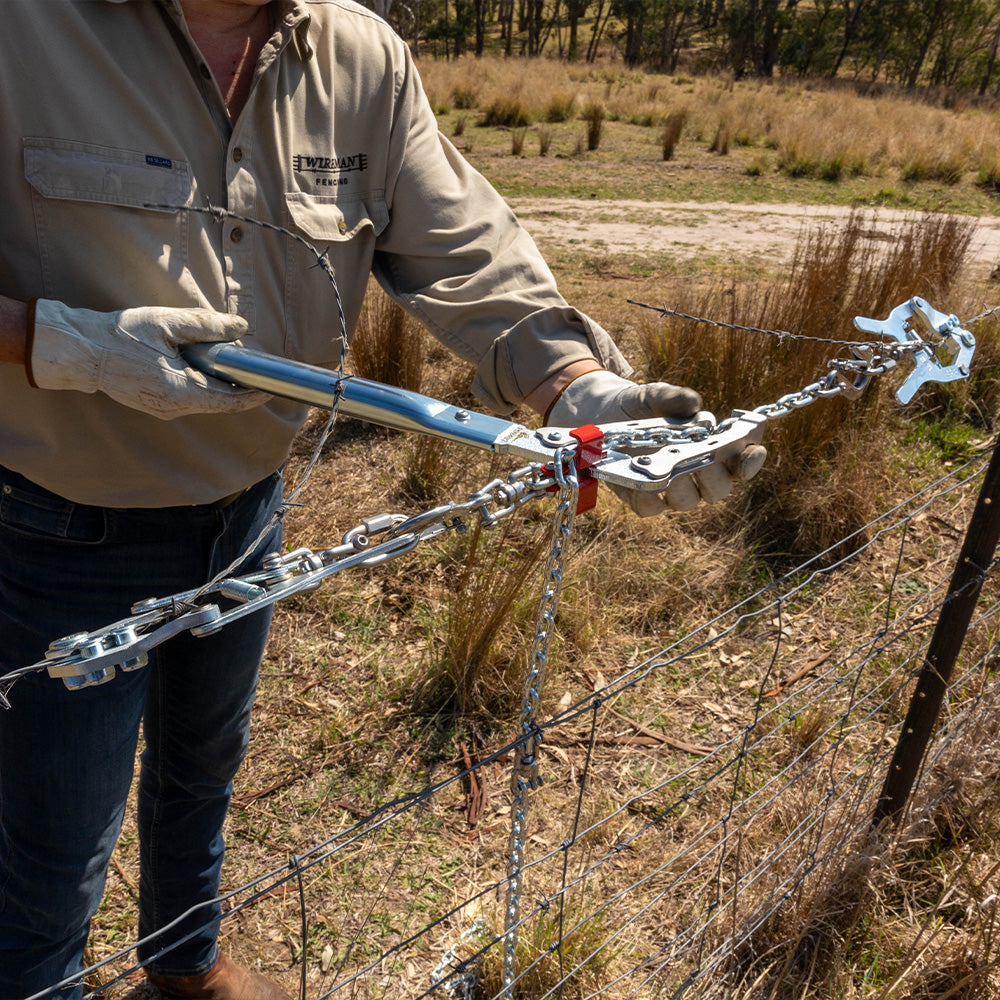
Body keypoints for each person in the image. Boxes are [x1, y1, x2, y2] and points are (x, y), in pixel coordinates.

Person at [0, 2, 765, 998]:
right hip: (60, 525)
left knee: (202, 771)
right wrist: (61, 340)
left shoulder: (356, 54)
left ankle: (185, 967)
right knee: (54, 845)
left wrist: (578, 392)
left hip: (249, 514)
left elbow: (468, 250)